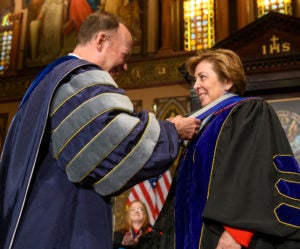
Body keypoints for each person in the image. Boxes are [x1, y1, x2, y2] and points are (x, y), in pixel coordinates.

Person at [0, 11, 200, 249]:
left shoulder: (49, 79)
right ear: (101, 41)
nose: (125, 66)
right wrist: (172, 130)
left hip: (32, 221)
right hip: (61, 223)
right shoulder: (80, 79)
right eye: (125, 55)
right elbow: (114, 147)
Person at [155, 48, 300, 249]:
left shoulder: (248, 111)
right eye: (194, 79)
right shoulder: (200, 125)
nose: (196, 85)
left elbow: (254, 170)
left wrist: (237, 232)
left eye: (202, 77)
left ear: (228, 81)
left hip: (224, 236)